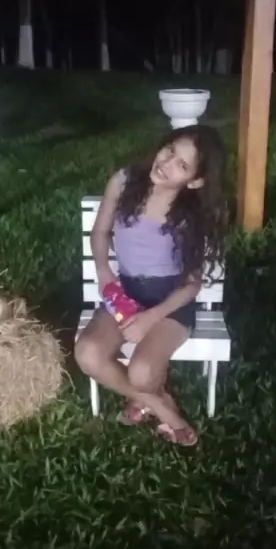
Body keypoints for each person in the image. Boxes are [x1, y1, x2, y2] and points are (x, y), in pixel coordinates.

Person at [74, 124, 227, 447]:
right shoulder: (124, 182)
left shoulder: (189, 216)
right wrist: (103, 271)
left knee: (142, 373)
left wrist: (149, 318)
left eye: (182, 165)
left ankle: (144, 395)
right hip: (126, 291)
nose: (167, 163)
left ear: (195, 181)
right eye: (170, 150)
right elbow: (100, 232)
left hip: (170, 301)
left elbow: (192, 285)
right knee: (87, 353)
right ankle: (161, 406)